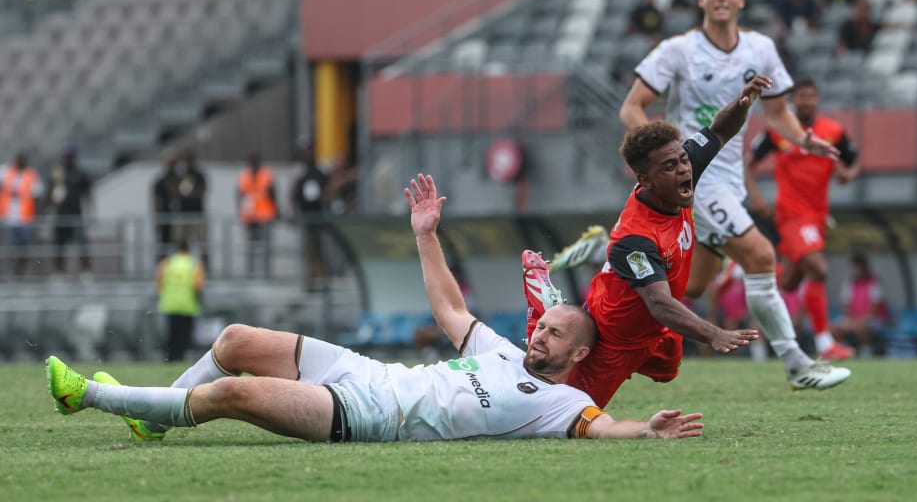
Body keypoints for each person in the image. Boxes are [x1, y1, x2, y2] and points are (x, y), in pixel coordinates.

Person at [46, 174, 706, 444]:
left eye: (554, 333)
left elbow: (604, 428)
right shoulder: (504, 351)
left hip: (371, 415)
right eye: (543, 324)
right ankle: (153, 419)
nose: (540, 334)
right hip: (366, 371)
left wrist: (644, 430)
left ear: (578, 356)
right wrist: (425, 234)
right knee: (237, 340)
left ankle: (94, 400)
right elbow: (450, 307)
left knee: (237, 393)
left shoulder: (561, 405)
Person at [529, 75, 847, 407]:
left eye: (683, 160)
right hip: (616, 335)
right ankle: (543, 306)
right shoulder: (636, 239)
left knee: (668, 370)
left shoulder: (681, 167)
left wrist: (743, 102)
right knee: (569, 409)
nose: (684, 170)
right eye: (671, 166)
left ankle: (599, 256)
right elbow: (660, 303)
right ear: (645, 180)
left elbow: (719, 130)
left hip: (656, 328)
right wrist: (714, 333)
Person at [618, 0, 849, 391]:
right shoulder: (678, 50)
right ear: (701, 0)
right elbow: (632, 107)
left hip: (729, 181)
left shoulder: (760, 48)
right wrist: (661, 159)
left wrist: (806, 141)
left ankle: (611, 269)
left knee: (693, 286)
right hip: (693, 178)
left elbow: (777, 112)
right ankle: (798, 363)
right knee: (762, 256)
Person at [744, 77, 861, 361]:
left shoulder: (833, 130)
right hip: (791, 215)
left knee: (790, 283)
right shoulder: (779, 130)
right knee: (818, 270)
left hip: (818, 215)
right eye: (802, 96)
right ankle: (825, 345)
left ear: (817, 99)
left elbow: (853, 159)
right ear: (793, 101)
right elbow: (748, 163)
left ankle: (759, 283)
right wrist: (755, 196)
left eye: (812, 96)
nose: (807, 101)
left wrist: (848, 173)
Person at [155, 239, 206, 362]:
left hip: (170, 305)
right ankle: (181, 357)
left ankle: (170, 357)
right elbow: (198, 286)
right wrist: (201, 301)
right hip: (188, 306)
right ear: (189, 250)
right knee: (185, 334)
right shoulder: (194, 264)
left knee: (172, 333)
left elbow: (159, 283)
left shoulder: (167, 263)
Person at [831, 253, 890, 357]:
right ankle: (841, 350)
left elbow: (874, 308)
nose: (858, 269)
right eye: (856, 266)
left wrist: (857, 322)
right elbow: (846, 306)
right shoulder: (849, 283)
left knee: (863, 327)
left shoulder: (874, 282)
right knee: (834, 327)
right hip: (853, 318)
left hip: (873, 319)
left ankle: (865, 352)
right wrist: (850, 321)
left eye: (860, 266)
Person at [47, 146, 93, 274]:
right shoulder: (58, 173)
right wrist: (54, 197)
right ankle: (59, 271)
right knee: (59, 246)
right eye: (67, 156)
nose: (69, 159)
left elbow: (88, 193)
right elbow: (49, 196)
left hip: (76, 215)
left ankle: (86, 271)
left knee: (82, 244)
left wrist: (90, 212)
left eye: (71, 156)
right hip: (60, 216)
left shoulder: (79, 173)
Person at [290, 146, 330, 280]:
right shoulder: (302, 176)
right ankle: (313, 273)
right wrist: (294, 212)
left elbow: (328, 192)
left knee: (320, 247)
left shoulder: (320, 174)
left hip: (319, 217)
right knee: (309, 248)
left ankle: (321, 273)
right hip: (307, 216)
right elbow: (294, 195)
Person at [0, 152, 43, 276]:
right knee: (10, 249)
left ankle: (19, 272)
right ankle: (10, 274)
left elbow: (38, 196)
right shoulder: (7, 172)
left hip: (25, 219)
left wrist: (38, 216)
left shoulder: (31, 175)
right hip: (9, 219)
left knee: (24, 249)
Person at [238, 152, 278, 277]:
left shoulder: (266, 175)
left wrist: (276, 211)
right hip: (249, 218)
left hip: (264, 216)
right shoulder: (244, 176)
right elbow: (240, 195)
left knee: (265, 248)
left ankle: (266, 274)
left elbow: (273, 194)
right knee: (250, 248)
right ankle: (250, 274)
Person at [172, 150, 208, 270]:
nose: (187, 163)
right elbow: (175, 193)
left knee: (202, 242)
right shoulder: (180, 176)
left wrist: (189, 194)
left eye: (189, 160)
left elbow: (202, 192)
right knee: (180, 242)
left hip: (197, 214)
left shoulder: (199, 175)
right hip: (183, 214)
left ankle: (205, 268)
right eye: (186, 160)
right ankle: (180, 267)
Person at [151, 157, 180, 260]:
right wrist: (156, 217)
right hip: (165, 217)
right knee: (163, 245)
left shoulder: (180, 179)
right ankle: (162, 265)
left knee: (179, 244)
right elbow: (155, 200)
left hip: (178, 218)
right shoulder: (161, 181)